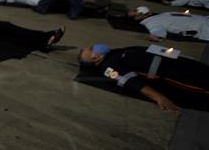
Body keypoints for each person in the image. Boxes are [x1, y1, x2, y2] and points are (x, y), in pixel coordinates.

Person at [77, 44, 209, 113]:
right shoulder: (109, 68)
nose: (94, 46)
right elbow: (130, 82)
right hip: (178, 76)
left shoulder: (116, 52)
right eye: (91, 49)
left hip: (182, 64)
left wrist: (181, 57)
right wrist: (159, 97)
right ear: (95, 59)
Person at [126, 6, 209, 41]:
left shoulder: (152, 22)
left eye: (134, 11)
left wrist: (154, 36)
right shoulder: (164, 13)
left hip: (203, 28)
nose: (132, 11)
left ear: (140, 16)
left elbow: (159, 33)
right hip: (203, 19)